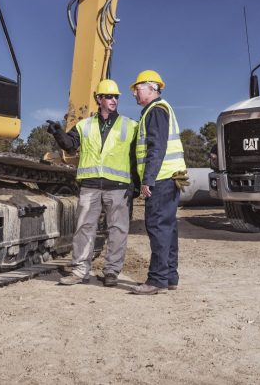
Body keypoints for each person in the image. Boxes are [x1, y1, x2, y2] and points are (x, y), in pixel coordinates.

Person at [46, 79, 137, 287]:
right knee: (84, 228)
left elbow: (136, 156)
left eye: (116, 97)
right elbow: (70, 146)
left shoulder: (130, 125)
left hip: (119, 186)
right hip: (90, 185)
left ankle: (112, 271)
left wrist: (136, 184)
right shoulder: (84, 125)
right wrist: (58, 133)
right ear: (99, 99)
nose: (114, 100)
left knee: (118, 229)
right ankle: (79, 271)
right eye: (109, 96)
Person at [129, 70, 186, 295]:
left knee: (158, 228)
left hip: (162, 178)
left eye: (138, 88)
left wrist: (148, 179)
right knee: (168, 229)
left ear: (152, 87)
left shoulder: (156, 111)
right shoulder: (159, 110)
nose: (134, 92)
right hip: (169, 177)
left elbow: (157, 147)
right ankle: (169, 276)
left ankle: (157, 280)